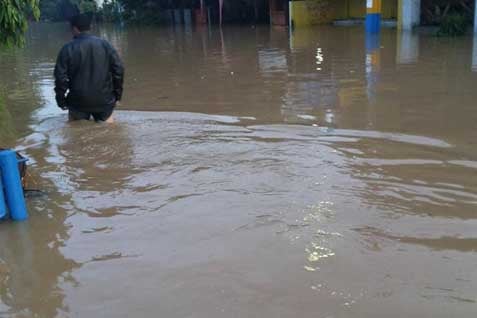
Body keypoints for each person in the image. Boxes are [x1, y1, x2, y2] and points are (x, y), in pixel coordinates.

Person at [54, 13, 124, 123]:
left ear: (75, 28)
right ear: (90, 27)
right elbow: (118, 70)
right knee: (109, 133)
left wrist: (61, 101)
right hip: (104, 100)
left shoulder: (67, 49)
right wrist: (117, 96)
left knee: (77, 135)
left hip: (78, 102)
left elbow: (60, 78)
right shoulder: (105, 45)